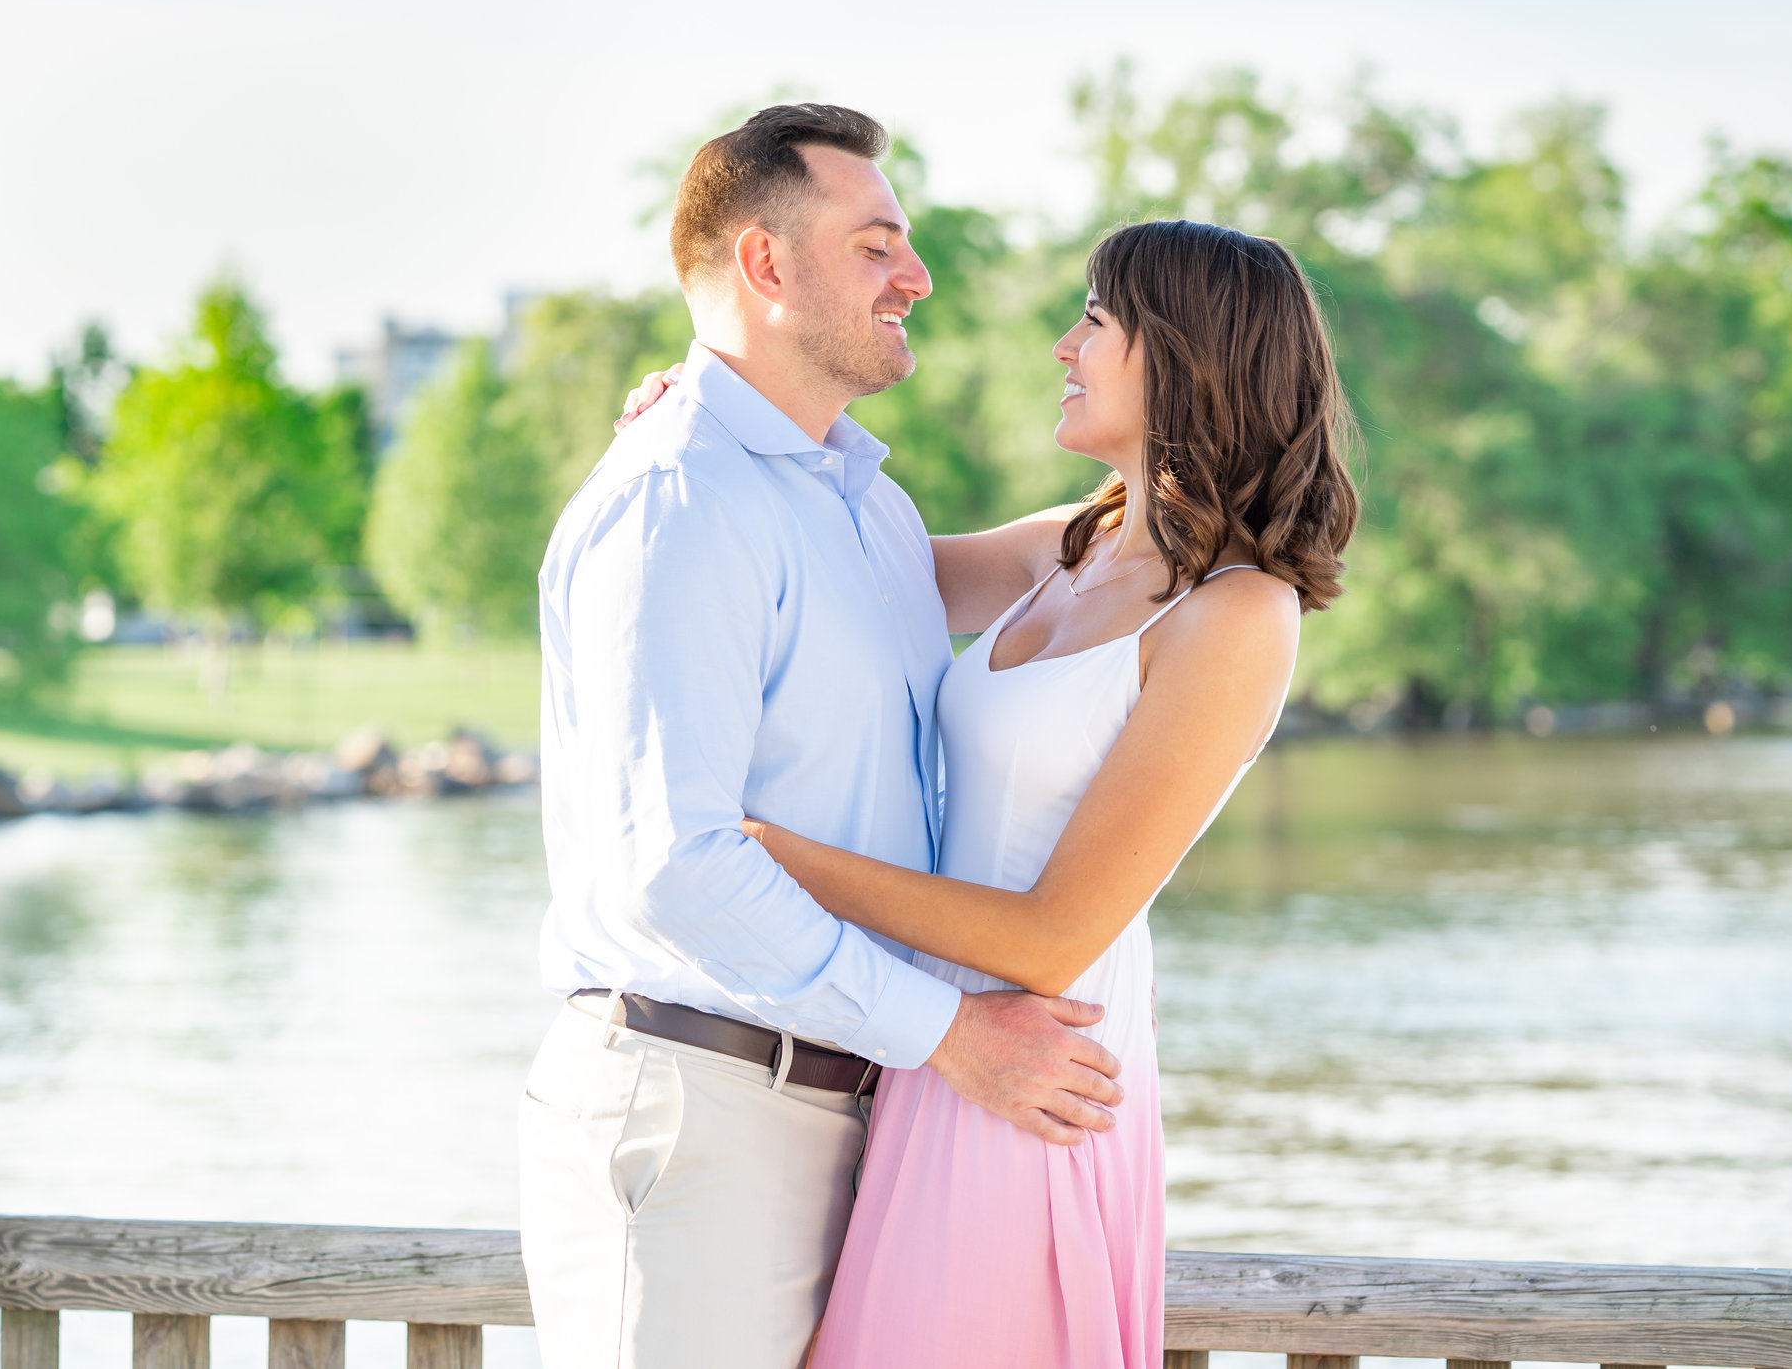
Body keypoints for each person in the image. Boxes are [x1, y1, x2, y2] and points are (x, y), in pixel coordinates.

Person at [619, 216, 1360, 1366]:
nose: (1065, 346)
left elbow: (1054, 937)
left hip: (1032, 1075)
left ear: (1185, 355)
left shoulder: (1234, 616)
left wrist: (758, 850)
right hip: (931, 1053)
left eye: (1098, 322)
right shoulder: (1072, 546)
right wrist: (710, 421)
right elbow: (814, 554)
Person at [519, 104, 1128, 1369]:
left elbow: (1108, 544)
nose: (915, 276)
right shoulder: (679, 500)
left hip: (850, 1110)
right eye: (874, 246)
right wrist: (954, 1039)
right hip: (703, 1111)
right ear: (763, 264)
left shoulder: (866, 508)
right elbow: (675, 865)